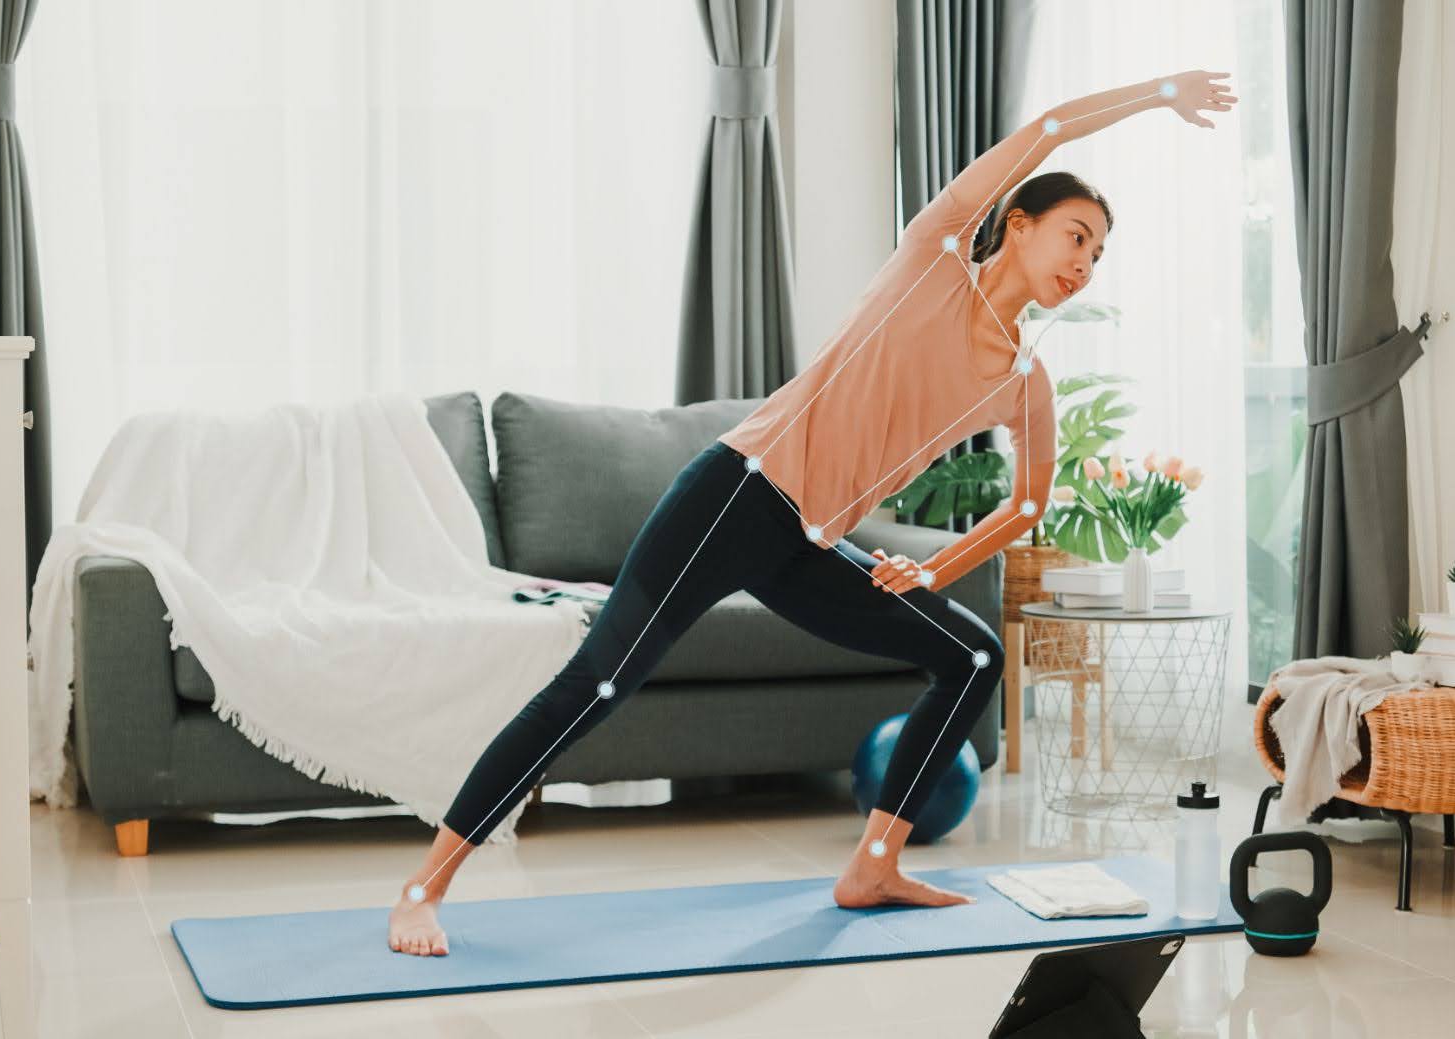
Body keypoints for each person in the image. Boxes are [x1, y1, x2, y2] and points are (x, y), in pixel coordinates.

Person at [388, 69, 1235, 956]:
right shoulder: (931, 257)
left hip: (806, 538)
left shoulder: (1023, 380)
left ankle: (873, 865)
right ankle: (424, 885)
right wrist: (1158, 94)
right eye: (1076, 235)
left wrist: (935, 568)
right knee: (601, 681)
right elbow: (1053, 125)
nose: (1084, 263)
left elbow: (1028, 502)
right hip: (736, 491)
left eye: (1099, 253)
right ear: (1017, 224)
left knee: (973, 652)